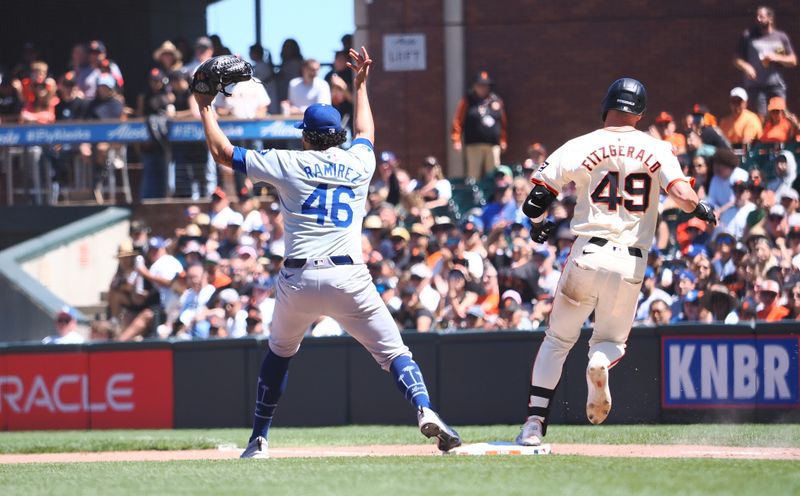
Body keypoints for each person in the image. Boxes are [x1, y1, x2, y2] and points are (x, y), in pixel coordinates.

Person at [193, 46, 461, 458]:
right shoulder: (359, 163)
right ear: (338, 135)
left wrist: (205, 106)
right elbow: (367, 134)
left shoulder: (288, 162)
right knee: (395, 355)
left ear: (305, 136)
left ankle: (259, 439)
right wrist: (361, 86)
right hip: (349, 276)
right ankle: (424, 409)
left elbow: (223, 153)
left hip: (299, 278)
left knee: (279, 355)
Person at [514, 78, 716, 446]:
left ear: (607, 104)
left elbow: (535, 201)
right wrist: (701, 207)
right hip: (631, 263)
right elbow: (684, 196)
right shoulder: (658, 148)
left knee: (557, 340)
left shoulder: (582, 144)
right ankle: (600, 364)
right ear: (640, 113)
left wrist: (540, 227)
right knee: (611, 344)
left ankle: (533, 425)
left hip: (587, 254)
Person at [733, 6, 797, 116]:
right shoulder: (748, 36)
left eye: (761, 16)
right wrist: (746, 66)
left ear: (770, 18)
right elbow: (736, 59)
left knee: (780, 117)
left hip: (776, 86)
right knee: (760, 117)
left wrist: (776, 57)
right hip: (756, 86)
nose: (758, 19)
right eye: (757, 16)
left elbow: (793, 61)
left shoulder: (780, 37)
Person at [450, 71, 508, 180]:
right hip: (473, 144)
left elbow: (503, 122)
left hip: (492, 145)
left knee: (493, 174)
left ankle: (492, 196)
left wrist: (503, 140)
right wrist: (456, 139)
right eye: (480, 85)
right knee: (473, 174)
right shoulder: (468, 100)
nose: (483, 88)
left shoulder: (496, 100)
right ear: (475, 86)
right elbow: (458, 120)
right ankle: (474, 196)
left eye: (486, 85)